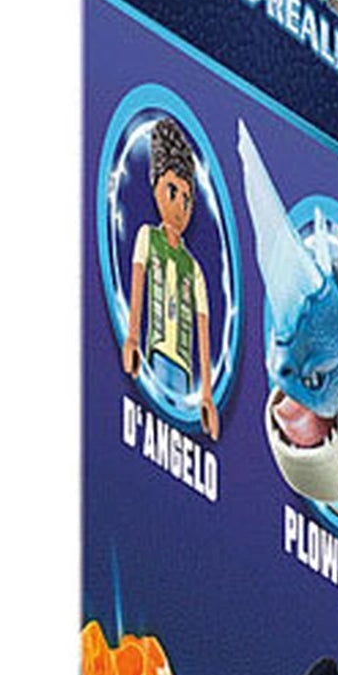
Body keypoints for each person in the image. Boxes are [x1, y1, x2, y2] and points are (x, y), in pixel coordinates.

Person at [122, 118, 219, 438]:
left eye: (187, 200)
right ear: (156, 189)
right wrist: (132, 338)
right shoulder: (148, 238)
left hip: (184, 369)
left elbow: (203, 328)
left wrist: (207, 395)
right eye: (172, 192)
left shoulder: (194, 269)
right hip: (156, 354)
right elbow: (138, 285)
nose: (180, 208)